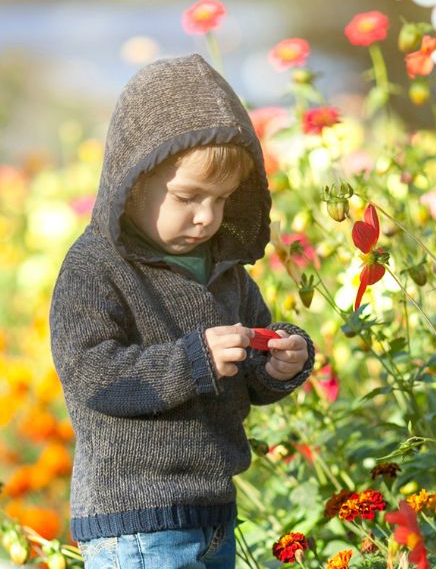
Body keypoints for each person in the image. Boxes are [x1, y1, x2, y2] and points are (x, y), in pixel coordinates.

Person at [50, 53, 316, 569]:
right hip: (137, 520)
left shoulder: (225, 269)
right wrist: (192, 361)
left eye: (221, 200)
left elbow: (248, 369)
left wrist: (278, 359)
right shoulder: (96, 268)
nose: (206, 217)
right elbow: (92, 375)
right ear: (133, 184)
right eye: (188, 197)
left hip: (212, 510)